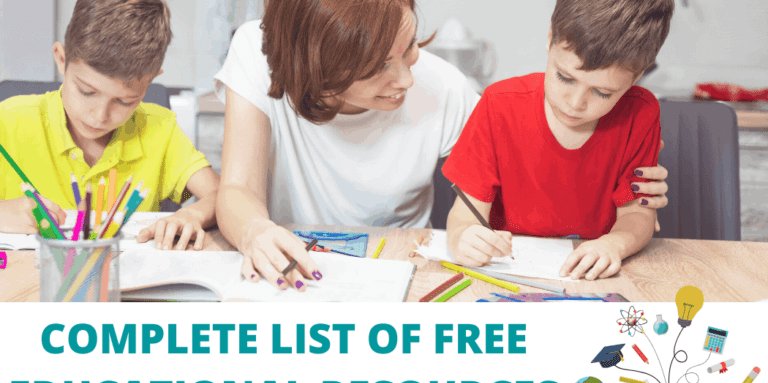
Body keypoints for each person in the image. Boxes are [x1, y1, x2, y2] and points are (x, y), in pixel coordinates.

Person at [214, 0, 669, 291]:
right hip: (290, 274)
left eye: (410, 45)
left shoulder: (449, 89)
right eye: (377, 68)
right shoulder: (257, 51)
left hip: (403, 275)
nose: (407, 79)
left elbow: (510, 186)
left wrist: (627, 208)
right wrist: (253, 230)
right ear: (315, 67)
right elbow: (237, 189)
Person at [444, 0, 674, 281]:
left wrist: (615, 244)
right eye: (565, 77)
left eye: (602, 93)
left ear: (637, 75)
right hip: (506, 273)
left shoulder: (641, 113)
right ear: (550, 38)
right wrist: (461, 237)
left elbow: (637, 215)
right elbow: (465, 215)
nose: (575, 103)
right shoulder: (498, 105)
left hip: (590, 279)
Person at [0, 0, 219, 251]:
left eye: (124, 101)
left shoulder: (161, 130)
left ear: (150, 81)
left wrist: (193, 215)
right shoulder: (9, 121)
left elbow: (223, 195)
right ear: (61, 58)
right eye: (87, 92)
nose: (100, 116)